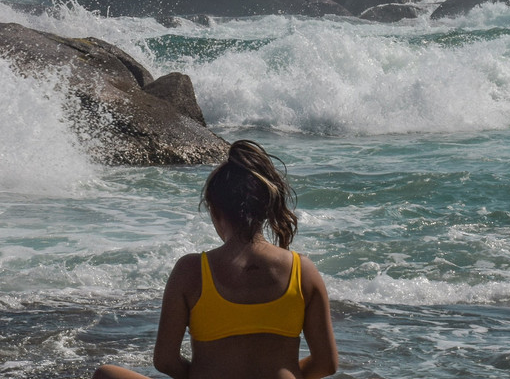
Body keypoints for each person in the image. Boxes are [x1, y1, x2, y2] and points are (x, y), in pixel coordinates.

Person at [93, 140, 338, 379]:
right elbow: (326, 364)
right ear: (266, 208)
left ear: (214, 210)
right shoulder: (302, 270)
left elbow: (165, 360)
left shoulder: (190, 271)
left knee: (106, 374)